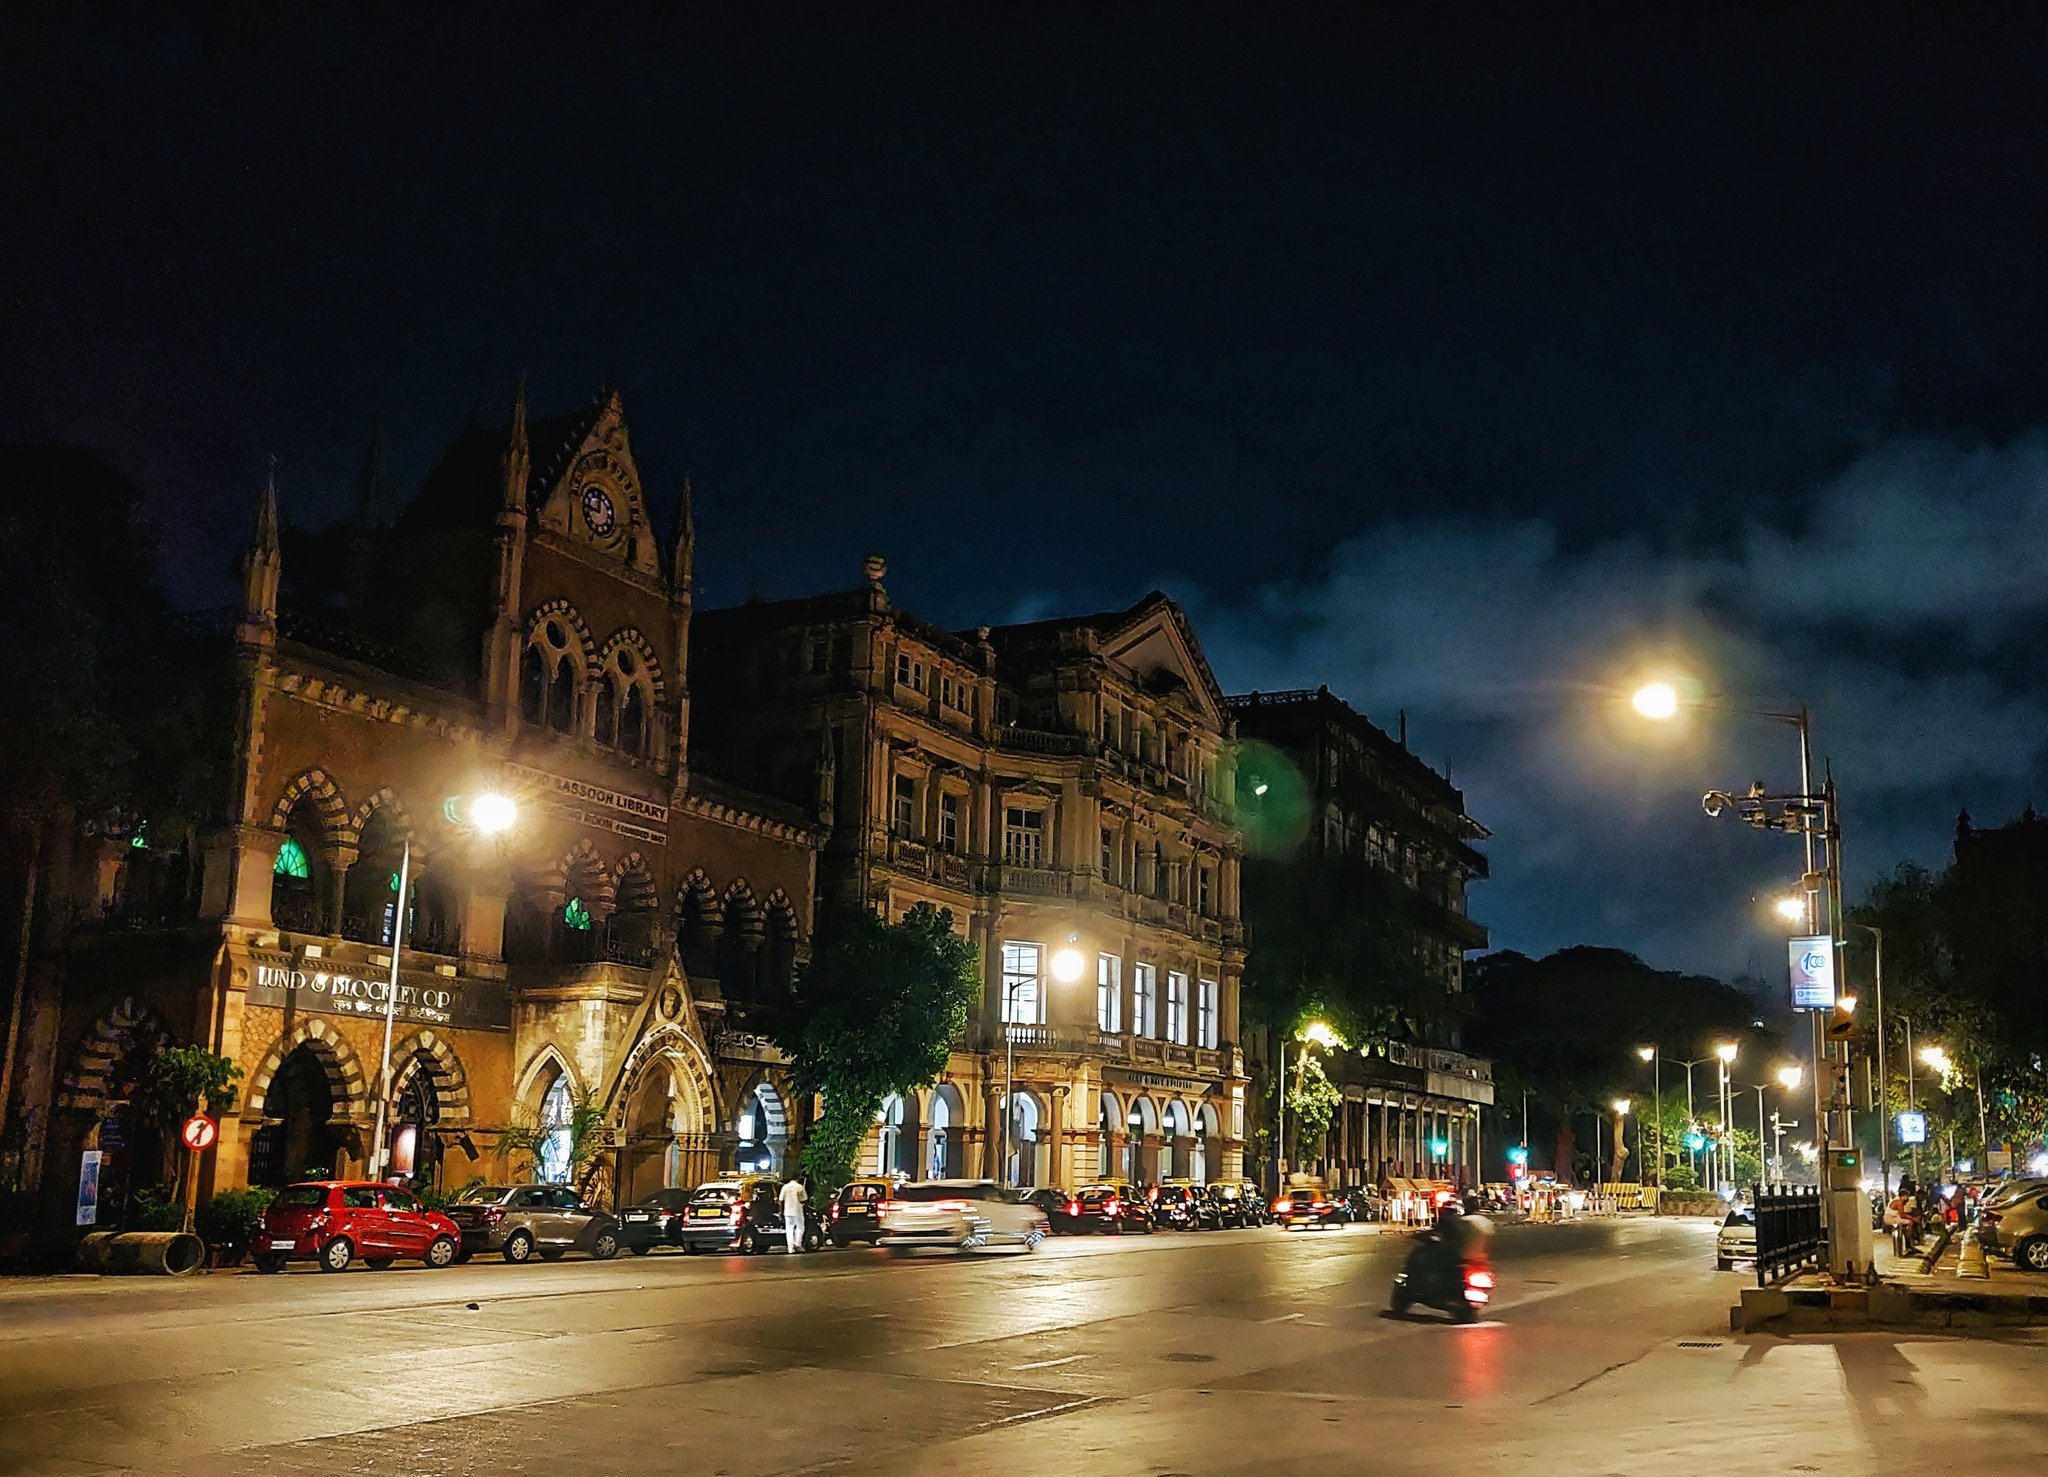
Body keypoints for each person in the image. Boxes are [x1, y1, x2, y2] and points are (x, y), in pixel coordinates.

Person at [778, 1175, 808, 1253]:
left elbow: (780, 1200)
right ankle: (797, 1243)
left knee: (789, 1229)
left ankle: (790, 1248)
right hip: (797, 1210)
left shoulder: (785, 1187)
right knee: (800, 1227)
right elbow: (804, 1199)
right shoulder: (800, 1187)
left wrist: (780, 1212)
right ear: (797, 1178)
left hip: (787, 1211)